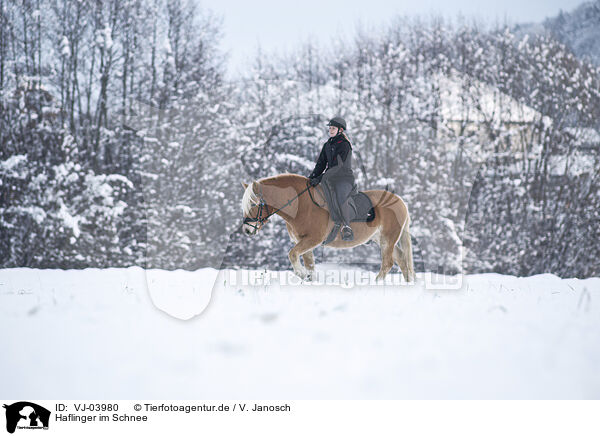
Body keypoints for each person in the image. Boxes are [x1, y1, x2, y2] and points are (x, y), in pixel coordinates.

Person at [308, 116, 356, 241]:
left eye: (333, 128)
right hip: (330, 178)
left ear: (340, 130)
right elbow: (321, 164)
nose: (330, 130)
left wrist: (321, 177)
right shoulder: (327, 145)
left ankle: (346, 226)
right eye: (330, 128)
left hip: (344, 178)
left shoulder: (344, 145)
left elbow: (338, 166)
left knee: (340, 196)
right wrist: (311, 178)